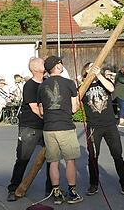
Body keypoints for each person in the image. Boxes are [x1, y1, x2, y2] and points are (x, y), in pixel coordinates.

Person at [81, 62, 124, 197]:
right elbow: (76, 99)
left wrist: (99, 75)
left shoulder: (103, 82)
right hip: (94, 126)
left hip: (110, 125)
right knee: (93, 157)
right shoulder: (83, 87)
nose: (93, 69)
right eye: (90, 67)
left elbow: (111, 89)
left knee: (117, 155)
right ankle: (93, 184)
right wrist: (84, 80)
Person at [38, 56, 83, 205]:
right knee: (70, 160)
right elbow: (74, 108)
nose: (62, 64)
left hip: (49, 127)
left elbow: (42, 111)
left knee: (53, 162)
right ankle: (72, 192)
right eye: (60, 62)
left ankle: (56, 193)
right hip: (65, 126)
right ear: (57, 66)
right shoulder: (69, 83)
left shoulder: (42, 86)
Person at [6, 58, 52, 202]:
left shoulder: (47, 83)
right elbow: (34, 108)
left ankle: (51, 189)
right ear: (34, 68)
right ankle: (13, 189)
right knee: (23, 159)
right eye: (41, 63)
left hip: (46, 126)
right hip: (30, 127)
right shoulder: (29, 85)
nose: (44, 64)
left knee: (51, 158)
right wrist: (50, 120)